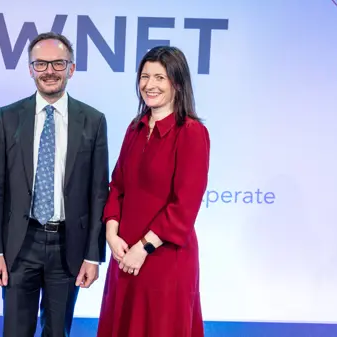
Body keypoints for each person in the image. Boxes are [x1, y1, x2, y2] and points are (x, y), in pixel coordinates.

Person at [0, 32, 109, 337]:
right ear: (30, 69)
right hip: (19, 245)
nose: (49, 71)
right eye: (40, 64)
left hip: (68, 246)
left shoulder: (93, 120)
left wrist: (93, 255)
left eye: (58, 63)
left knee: (57, 332)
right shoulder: (8, 117)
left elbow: (98, 193)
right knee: (15, 331)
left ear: (71, 68)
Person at [96, 45, 210, 337]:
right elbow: (118, 185)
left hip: (164, 259)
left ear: (177, 83)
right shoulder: (135, 127)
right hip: (124, 256)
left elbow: (184, 205)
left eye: (160, 77)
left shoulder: (192, 133)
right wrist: (111, 232)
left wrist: (143, 247)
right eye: (145, 76)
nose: (149, 85)